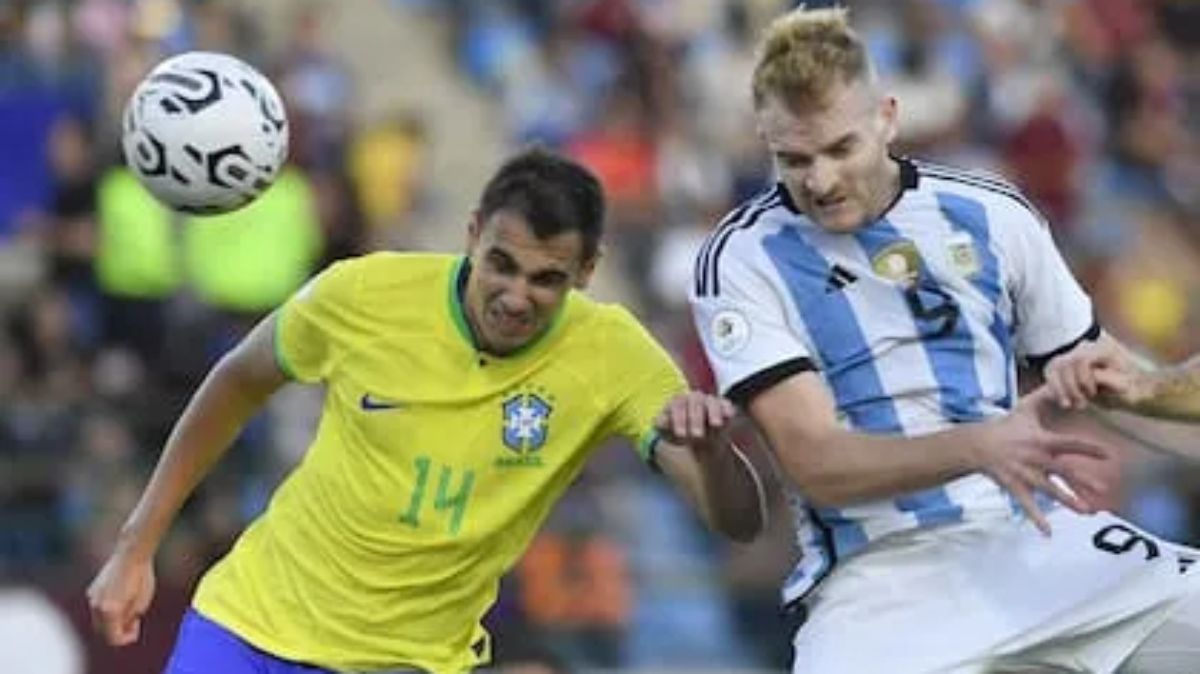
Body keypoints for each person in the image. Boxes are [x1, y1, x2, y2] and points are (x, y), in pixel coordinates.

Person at [88, 147, 767, 674]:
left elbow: (737, 522)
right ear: (472, 233)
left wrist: (712, 452)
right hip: (251, 627)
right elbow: (236, 382)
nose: (515, 294)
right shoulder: (363, 294)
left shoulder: (613, 353)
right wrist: (136, 547)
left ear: (587, 270)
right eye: (500, 264)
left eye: (546, 279)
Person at [688, 7, 1200, 674]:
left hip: (1033, 539)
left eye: (841, 149)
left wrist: (1146, 386)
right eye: (794, 158)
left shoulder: (991, 214)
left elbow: (1104, 380)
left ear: (888, 118)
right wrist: (980, 446)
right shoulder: (742, 257)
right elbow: (816, 461)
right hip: (878, 582)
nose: (820, 180)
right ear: (766, 141)